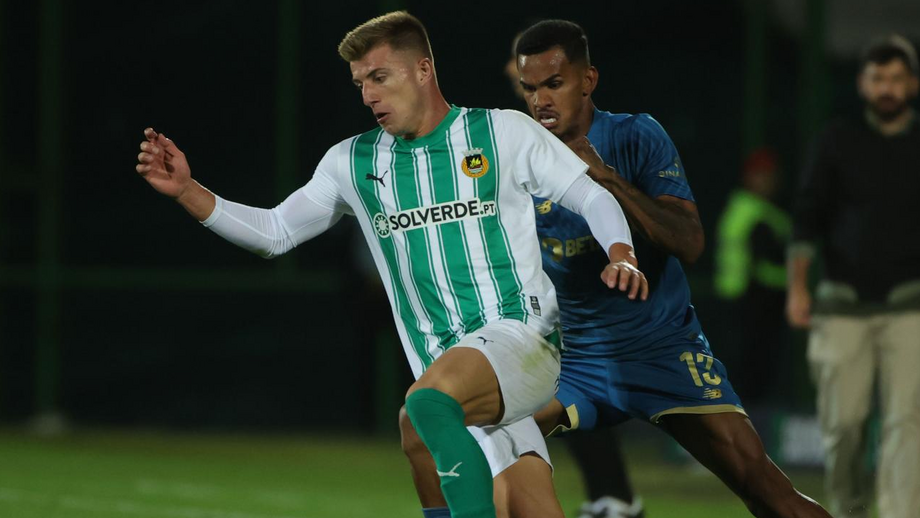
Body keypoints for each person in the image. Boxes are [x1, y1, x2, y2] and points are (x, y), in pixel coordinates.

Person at [133, 11, 648, 518]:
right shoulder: (352, 162)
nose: (368, 95)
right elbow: (275, 232)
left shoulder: (502, 132)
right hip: (445, 366)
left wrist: (621, 252)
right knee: (433, 441)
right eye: (360, 83)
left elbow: (590, 195)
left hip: (523, 337)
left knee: (425, 407)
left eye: (380, 77)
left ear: (423, 69)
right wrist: (187, 191)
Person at [401, 20, 833, 518]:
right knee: (464, 440)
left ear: (588, 80)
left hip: (662, 349)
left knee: (766, 491)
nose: (540, 101)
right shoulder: (509, 159)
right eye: (530, 88)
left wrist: (606, 179)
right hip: (571, 360)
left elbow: (689, 242)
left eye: (554, 84)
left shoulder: (636, 135)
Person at [786, 34, 920, 518]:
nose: (887, 88)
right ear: (863, 84)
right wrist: (798, 288)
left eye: (897, 79)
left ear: (912, 85)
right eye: (878, 78)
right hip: (841, 304)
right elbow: (808, 216)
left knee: (908, 423)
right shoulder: (837, 139)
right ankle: (849, 510)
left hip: (911, 306)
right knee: (842, 425)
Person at [714, 148, 792, 405]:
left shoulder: (740, 207)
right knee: (753, 370)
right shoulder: (758, 213)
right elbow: (766, 261)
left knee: (745, 369)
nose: (767, 181)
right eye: (761, 175)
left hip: (737, 296)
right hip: (755, 299)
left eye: (770, 175)